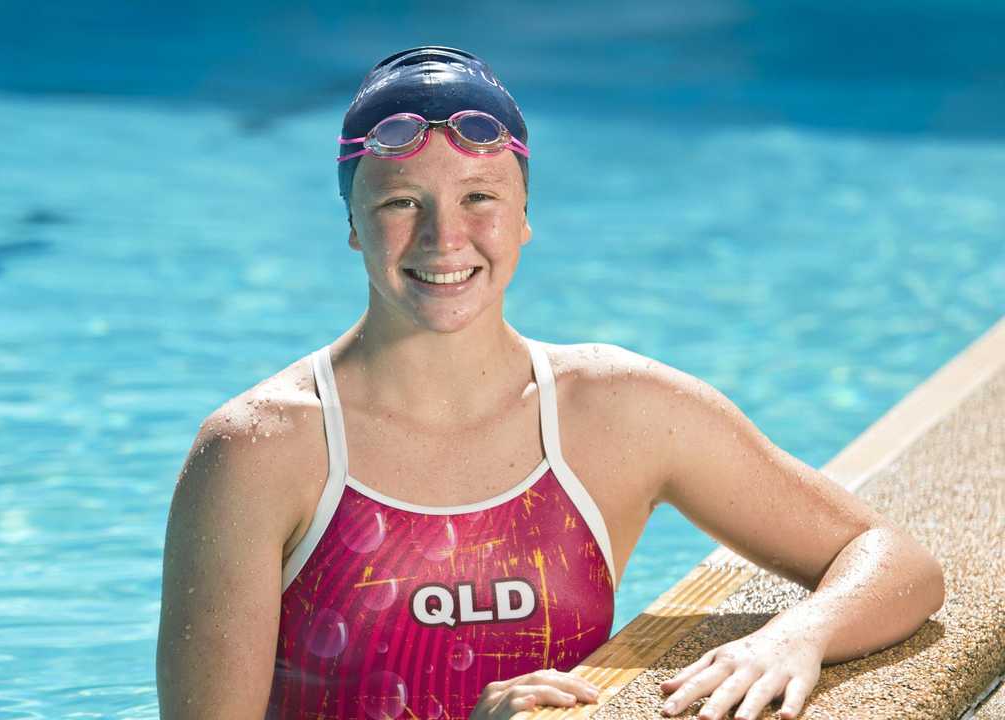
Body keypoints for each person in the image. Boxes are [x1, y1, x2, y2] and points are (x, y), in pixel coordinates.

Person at [156, 46, 944, 720]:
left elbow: (895, 563)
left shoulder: (620, 411)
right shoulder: (260, 452)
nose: (445, 238)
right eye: (402, 202)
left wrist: (791, 637)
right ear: (353, 225)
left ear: (525, 215)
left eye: (479, 199)